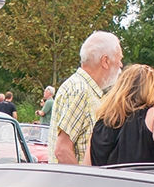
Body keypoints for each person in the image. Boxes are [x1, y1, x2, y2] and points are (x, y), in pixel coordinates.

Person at [87, 63, 154, 166]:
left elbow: (87, 168)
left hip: (103, 182)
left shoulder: (101, 123)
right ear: (151, 92)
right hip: (145, 181)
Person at [50, 30, 122, 165]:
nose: (120, 65)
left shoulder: (85, 89)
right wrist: (84, 183)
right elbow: (62, 150)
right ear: (105, 61)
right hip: (74, 184)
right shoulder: (80, 90)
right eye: (119, 59)